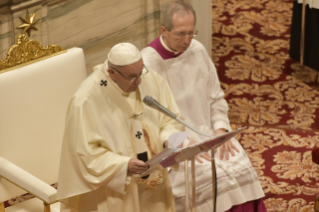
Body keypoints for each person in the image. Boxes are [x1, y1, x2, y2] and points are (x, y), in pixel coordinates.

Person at [141, 1, 267, 212]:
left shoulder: (197, 50)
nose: (187, 40)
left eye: (192, 33)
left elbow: (215, 97)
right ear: (164, 30)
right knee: (214, 178)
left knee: (240, 164)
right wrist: (183, 144)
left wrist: (221, 130)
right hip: (179, 145)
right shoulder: (148, 63)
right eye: (181, 34)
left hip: (208, 134)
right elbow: (152, 121)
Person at [57, 43, 185, 212]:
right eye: (132, 77)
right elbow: (83, 153)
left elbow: (170, 119)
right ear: (112, 73)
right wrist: (123, 165)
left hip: (154, 181)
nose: (139, 81)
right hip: (114, 192)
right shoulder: (86, 101)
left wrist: (168, 139)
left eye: (141, 73)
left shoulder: (150, 79)